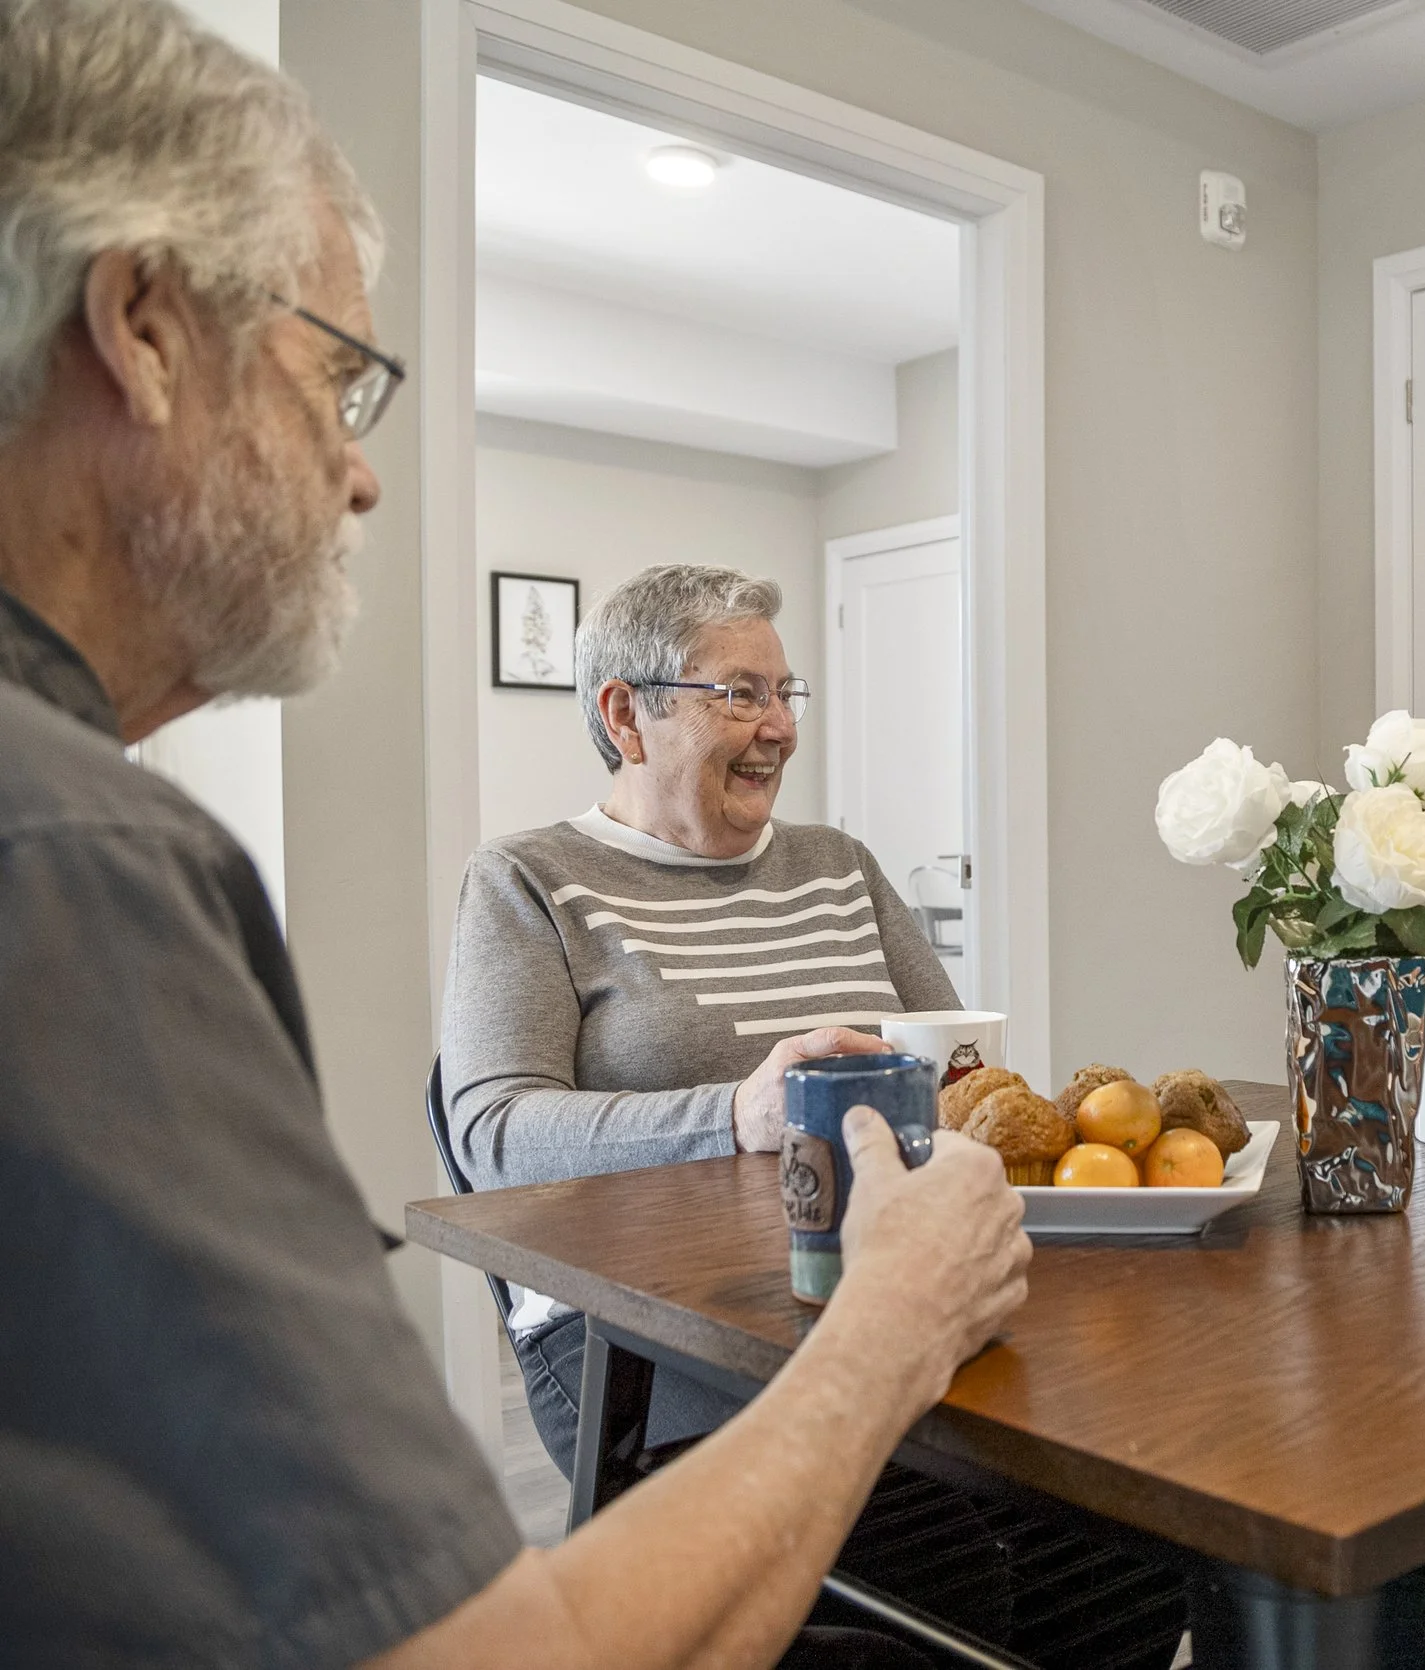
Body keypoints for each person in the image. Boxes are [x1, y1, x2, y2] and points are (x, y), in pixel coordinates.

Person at [0, 4, 1026, 1665]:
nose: (361, 478)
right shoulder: (88, 862)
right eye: (337, 379)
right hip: (682, 1347)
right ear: (143, 329)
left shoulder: (843, 865)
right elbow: (477, 1637)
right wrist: (890, 1317)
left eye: (790, 693)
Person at [441, 562, 962, 1470]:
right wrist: (734, 1116)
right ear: (624, 716)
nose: (782, 728)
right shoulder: (527, 880)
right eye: (740, 694)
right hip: (643, 1329)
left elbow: (955, 1064)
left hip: (873, 1281)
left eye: (784, 692)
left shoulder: (838, 863)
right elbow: (494, 1134)